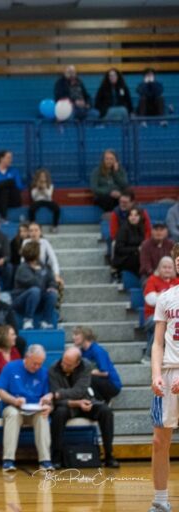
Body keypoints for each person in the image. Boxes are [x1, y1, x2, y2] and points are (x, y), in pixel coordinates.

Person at [48, 347, 119, 469]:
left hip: (85, 401)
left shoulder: (86, 366)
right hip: (66, 405)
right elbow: (55, 398)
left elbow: (79, 391)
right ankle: (56, 458)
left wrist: (60, 393)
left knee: (106, 412)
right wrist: (70, 401)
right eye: (63, 361)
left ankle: (109, 456)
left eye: (68, 364)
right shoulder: (53, 369)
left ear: (77, 363)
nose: (63, 365)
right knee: (59, 413)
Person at [148, 243, 179, 512]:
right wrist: (156, 374)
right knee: (160, 441)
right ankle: (160, 501)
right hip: (168, 373)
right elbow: (157, 343)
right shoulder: (166, 297)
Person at [0, 344, 55, 473]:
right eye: (35, 363)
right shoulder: (11, 367)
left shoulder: (44, 372)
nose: (37, 367)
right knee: (13, 414)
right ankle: (8, 460)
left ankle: (45, 461)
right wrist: (14, 400)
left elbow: (48, 396)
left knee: (43, 416)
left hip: (35, 409)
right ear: (27, 357)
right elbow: (0, 391)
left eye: (40, 364)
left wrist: (47, 405)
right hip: (14, 406)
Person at [12, 241, 58, 330]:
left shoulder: (44, 266)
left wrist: (52, 287)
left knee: (52, 294)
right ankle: (28, 320)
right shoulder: (22, 268)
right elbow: (36, 283)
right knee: (35, 290)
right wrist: (38, 272)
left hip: (39, 298)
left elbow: (52, 280)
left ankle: (46, 321)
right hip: (21, 301)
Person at [142, 257, 179, 364]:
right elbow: (151, 299)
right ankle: (148, 356)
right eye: (164, 267)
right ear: (159, 268)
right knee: (163, 324)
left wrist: (161, 295)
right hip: (151, 317)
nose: (167, 270)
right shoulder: (152, 280)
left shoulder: (177, 281)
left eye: (170, 268)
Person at [71, 326, 122, 403]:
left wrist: (88, 372)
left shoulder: (97, 350)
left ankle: (102, 400)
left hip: (112, 385)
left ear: (84, 336)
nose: (73, 337)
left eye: (76, 334)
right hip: (99, 381)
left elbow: (105, 373)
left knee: (88, 378)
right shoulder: (81, 351)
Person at [23, 221, 63, 286]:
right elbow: (22, 261)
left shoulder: (45, 242)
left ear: (40, 232)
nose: (34, 233)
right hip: (28, 270)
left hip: (42, 269)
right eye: (31, 230)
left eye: (36, 230)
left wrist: (56, 275)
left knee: (59, 282)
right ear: (29, 233)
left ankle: (53, 291)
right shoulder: (25, 242)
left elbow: (54, 261)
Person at [113, 207, 147, 280]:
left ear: (140, 217)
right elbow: (119, 249)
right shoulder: (123, 229)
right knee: (140, 260)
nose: (133, 217)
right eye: (131, 215)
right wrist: (136, 249)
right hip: (123, 259)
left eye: (136, 215)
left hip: (136, 256)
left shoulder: (141, 228)